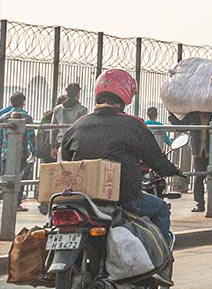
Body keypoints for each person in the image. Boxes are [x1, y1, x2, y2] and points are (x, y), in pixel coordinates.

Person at [58, 69, 179, 249]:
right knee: (161, 208)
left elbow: (65, 161)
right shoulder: (133, 124)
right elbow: (155, 158)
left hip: (82, 199)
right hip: (123, 197)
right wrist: (172, 170)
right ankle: (161, 259)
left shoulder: (78, 124)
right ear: (126, 95)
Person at [40, 81, 87, 160]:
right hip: (76, 146)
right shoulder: (82, 110)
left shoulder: (57, 109)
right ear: (78, 94)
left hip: (61, 145)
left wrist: (52, 146)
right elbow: (83, 130)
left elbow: (53, 128)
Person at [0, 90, 30, 180]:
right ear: (23, 103)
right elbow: (31, 136)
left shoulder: (4, 117)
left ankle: (6, 193)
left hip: (6, 152)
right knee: (20, 177)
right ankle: (19, 194)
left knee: (5, 177)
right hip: (22, 152)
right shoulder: (27, 117)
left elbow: (1, 136)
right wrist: (34, 152)